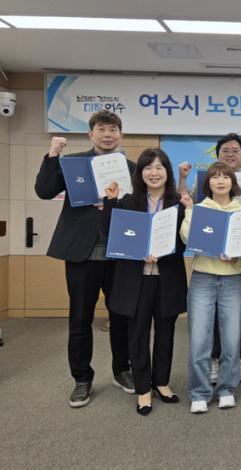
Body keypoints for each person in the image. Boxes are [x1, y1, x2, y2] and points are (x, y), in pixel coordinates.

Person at [34, 110, 135, 408]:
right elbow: (44, 191)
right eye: (101, 129)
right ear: (91, 134)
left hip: (120, 253)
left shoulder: (131, 168)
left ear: (120, 135)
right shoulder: (73, 162)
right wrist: (53, 153)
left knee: (122, 316)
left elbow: (141, 205)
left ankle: (122, 370)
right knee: (80, 318)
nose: (108, 134)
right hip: (82, 253)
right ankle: (81, 379)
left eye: (113, 129)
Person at [102, 148, 188, 416]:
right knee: (137, 334)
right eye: (148, 167)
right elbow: (112, 234)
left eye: (159, 167)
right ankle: (142, 388)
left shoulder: (177, 203)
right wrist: (110, 202)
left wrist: (164, 250)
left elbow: (185, 242)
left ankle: (161, 382)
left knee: (165, 333)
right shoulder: (128, 201)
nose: (154, 172)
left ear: (167, 172)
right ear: (140, 173)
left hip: (167, 277)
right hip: (136, 279)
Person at [178, 133, 241, 384]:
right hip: (210, 264)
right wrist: (182, 179)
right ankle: (215, 358)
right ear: (217, 156)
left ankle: (238, 357)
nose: (230, 154)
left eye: (236, 151)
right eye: (225, 150)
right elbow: (187, 207)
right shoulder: (204, 182)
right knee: (211, 317)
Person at [180, 162, 241, 413]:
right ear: (207, 183)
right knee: (199, 339)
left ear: (233, 182)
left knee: (231, 340)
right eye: (215, 177)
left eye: (226, 177)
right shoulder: (199, 209)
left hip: (234, 280)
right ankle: (199, 392)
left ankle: (227, 389)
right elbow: (187, 238)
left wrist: (236, 257)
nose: (221, 181)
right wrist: (189, 210)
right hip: (203, 278)